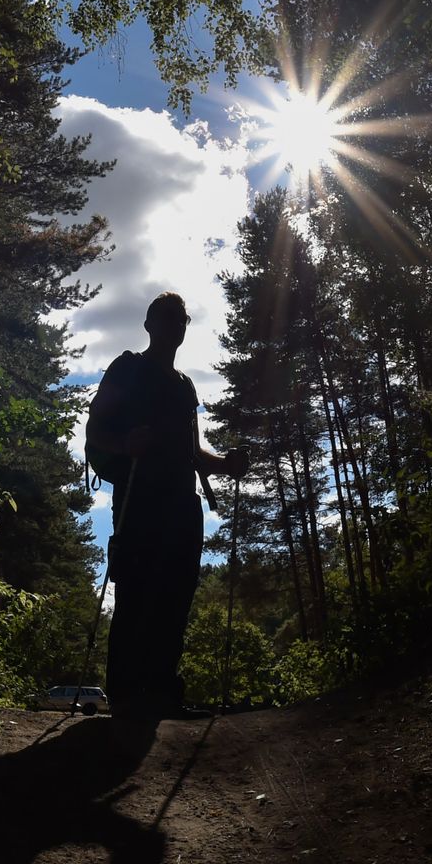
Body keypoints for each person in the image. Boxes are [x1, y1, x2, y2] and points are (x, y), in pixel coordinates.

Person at [85, 291, 248, 718]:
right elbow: (95, 430)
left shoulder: (185, 386)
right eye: (167, 318)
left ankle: (161, 692)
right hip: (139, 499)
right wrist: (124, 443)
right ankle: (125, 694)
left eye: (181, 319)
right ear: (149, 325)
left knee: (177, 596)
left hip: (181, 504)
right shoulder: (126, 369)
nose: (176, 325)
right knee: (137, 592)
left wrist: (225, 465)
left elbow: (193, 452)